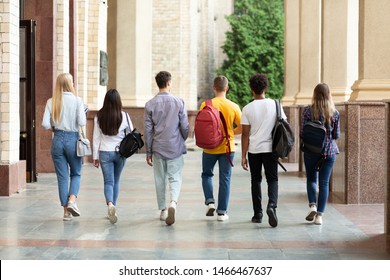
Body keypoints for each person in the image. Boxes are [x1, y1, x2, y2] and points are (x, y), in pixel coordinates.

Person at [241, 73, 286, 228]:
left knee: (256, 180)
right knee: (272, 179)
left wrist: (243, 156)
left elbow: (245, 134)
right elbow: (282, 126)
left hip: (254, 150)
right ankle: (272, 206)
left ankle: (257, 214)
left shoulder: (247, 108)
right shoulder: (275, 105)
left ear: (251, 89)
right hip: (271, 149)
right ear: (265, 87)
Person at [144, 71, 189, 226]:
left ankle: (163, 210)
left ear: (158, 84)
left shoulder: (150, 105)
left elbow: (148, 130)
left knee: (159, 179)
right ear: (169, 83)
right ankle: (173, 203)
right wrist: (182, 139)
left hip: (157, 147)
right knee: (175, 176)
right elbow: (185, 127)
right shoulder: (179, 102)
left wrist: (148, 151)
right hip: (174, 146)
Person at [42, 73, 86, 221]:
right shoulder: (77, 101)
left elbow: (45, 124)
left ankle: (66, 212)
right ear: (70, 84)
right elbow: (82, 122)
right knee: (76, 173)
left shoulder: (51, 101)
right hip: (73, 140)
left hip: (57, 140)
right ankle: (72, 200)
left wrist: (55, 129)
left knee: (62, 177)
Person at [200, 76, 242, 222]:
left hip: (209, 147)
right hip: (227, 148)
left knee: (206, 175)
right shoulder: (234, 106)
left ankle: (210, 202)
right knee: (225, 179)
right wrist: (230, 132)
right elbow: (242, 127)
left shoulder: (206, 104)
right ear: (227, 88)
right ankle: (222, 213)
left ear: (213, 87)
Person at [301, 83, 340, 225]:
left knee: (311, 179)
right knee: (324, 183)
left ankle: (312, 205)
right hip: (329, 151)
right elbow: (336, 135)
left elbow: (302, 133)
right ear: (329, 94)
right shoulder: (334, 113)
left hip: (311, 150)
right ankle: (319, 216)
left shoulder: (307, 111)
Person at [92, 89, 133, 224]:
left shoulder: (99, 116)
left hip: (104, 152)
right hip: (120, 153)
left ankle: (110, 205)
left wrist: (95, 156)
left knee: (108, 182)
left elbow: (96, 138)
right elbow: (131, 134)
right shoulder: (125, 116)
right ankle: (113, 206)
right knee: (116, 180)